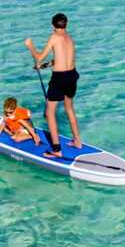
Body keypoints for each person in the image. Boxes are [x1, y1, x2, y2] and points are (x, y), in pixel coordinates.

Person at [26, 13, 80, 155]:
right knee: (69, 108)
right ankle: (77, 141)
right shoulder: (70, 39)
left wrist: (30, 46)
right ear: (66, 24)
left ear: (53, 26)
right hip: (72, 75)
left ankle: (56, 150)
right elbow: (59, 60)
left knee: (50, 113)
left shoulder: (54, 37)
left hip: (60, 78)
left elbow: (38, 56)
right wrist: (43, 66)